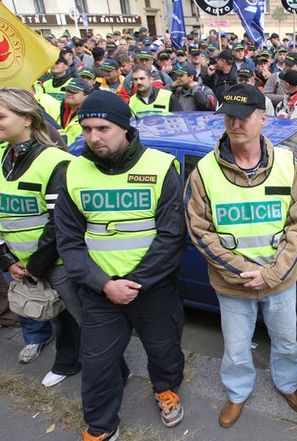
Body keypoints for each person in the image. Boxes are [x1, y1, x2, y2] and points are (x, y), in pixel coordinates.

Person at [55, 91, 186, 440]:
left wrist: (135, 282)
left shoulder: (160, 167)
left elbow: (171, 237)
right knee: (96, 364)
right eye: (86, 129)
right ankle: (100, 427)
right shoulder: (73, 172)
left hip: (153, 289)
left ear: (125, 127)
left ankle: (166, 389)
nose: (93, 137)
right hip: (100, 291)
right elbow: (68, 241)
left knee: (164, 350)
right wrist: (105, 284)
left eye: (102, 128)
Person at [184, 84, 297, 429]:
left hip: (279, 280)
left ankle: (287, 385)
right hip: (233, 283)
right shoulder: (205, 171)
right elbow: (200, 231)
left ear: (262, 119)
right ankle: (237, 393)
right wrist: (242, 271)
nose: (235, 123)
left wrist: (270, 273)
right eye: (229, 116)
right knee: (237, 346)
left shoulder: (287, 164)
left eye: (243, 116)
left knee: (286, 341)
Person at [0, 88, 81, 387]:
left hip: (55, 263)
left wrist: (34, 266)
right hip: (17, 261)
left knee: (75, 317)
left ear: (26, 118)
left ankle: (80, 364)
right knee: (44, 312)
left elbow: (59, 223)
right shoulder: (2, 155)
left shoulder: (55, 161)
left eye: (1, 116)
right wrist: (7, 261)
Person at [59, 79, 92, 146]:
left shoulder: (90, 115)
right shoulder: (62, 108)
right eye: (67, 91)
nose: (68, 93)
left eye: (73, 92)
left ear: (86, 96)